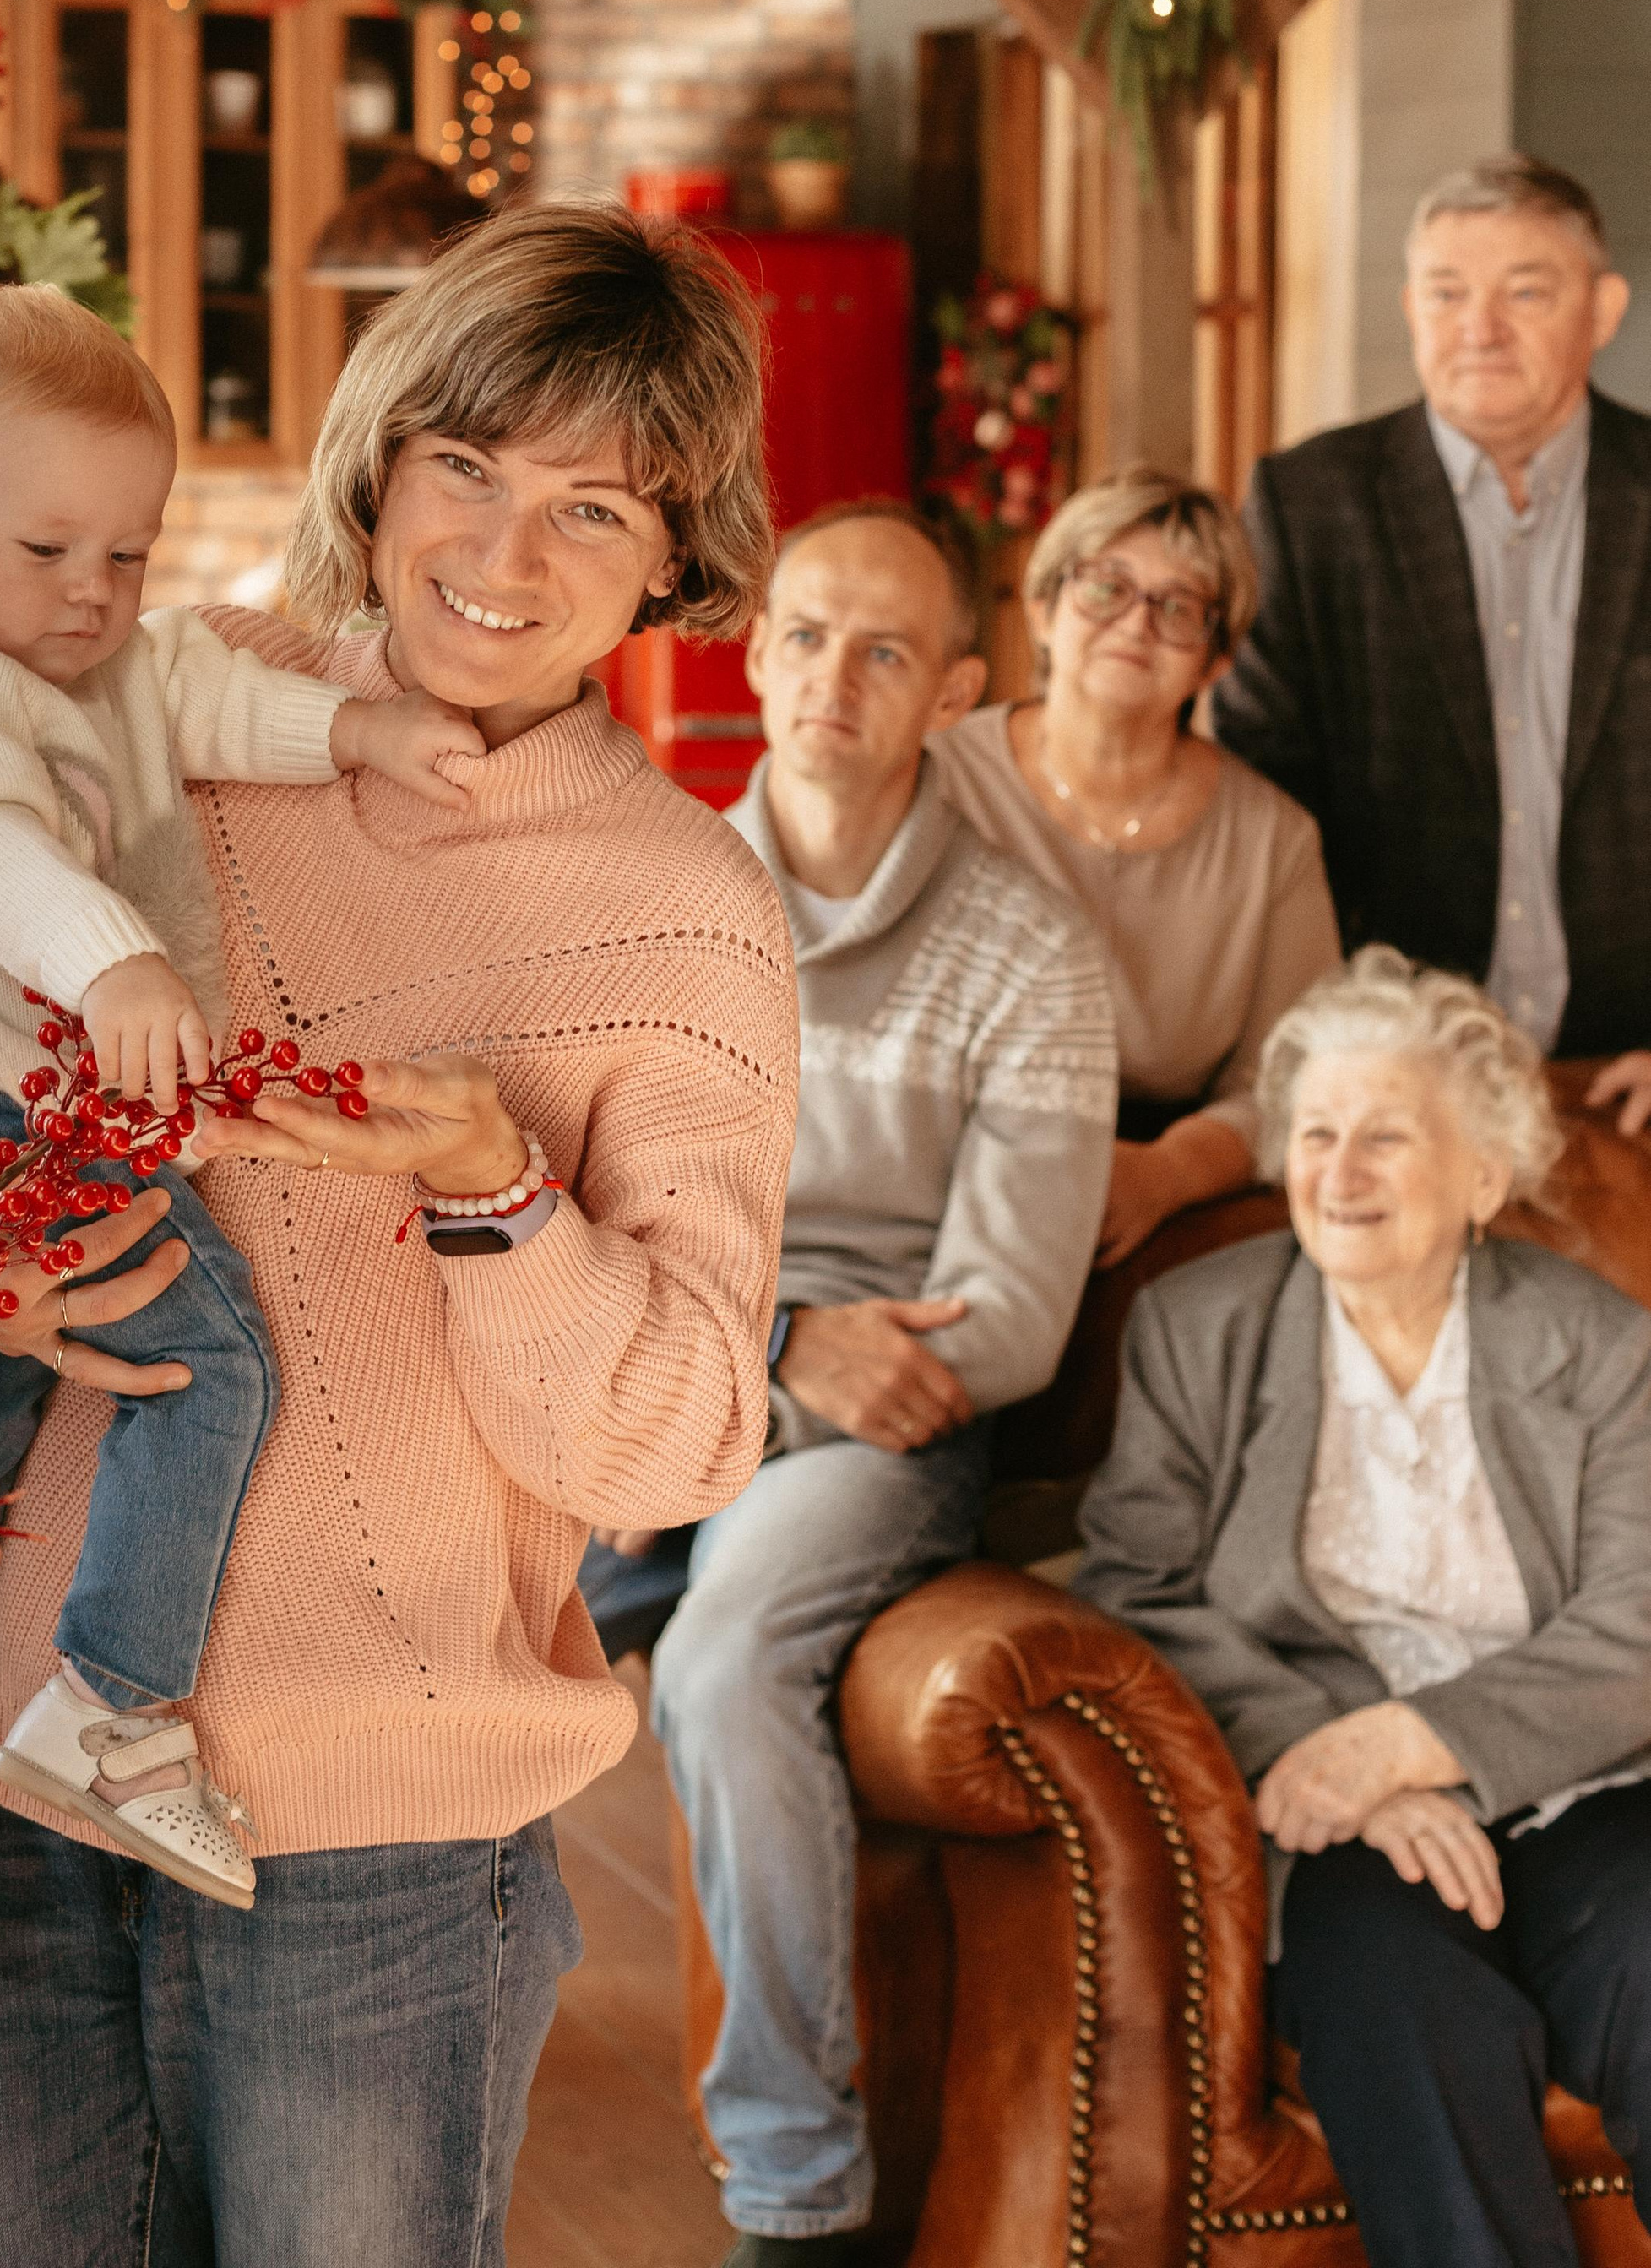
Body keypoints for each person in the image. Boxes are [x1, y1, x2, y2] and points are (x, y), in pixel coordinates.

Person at [0, 204, 800, 2268]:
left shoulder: (689, 914)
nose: (502, 559)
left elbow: (679, 1440)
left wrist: (494, 1192)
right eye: (465, 469)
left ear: (673, 555)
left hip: (381, 1830)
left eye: (589, 506)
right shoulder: (171, 689)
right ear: (375, 462)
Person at [0, 283, 482, 1981]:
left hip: (46, 1102)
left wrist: (355, 728)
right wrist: (118, 957)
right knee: (207, 1369)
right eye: (52, 553)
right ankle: (115, 1707)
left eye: (126, 559)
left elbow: (207, 703)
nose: (94, 601)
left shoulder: (106, 659)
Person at [620, 497, 1116, 2267]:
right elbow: (580, 1219)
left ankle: (797, 2199)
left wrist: (798, 1383)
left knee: (728, 1650)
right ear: (752, 654)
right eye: (809, 634)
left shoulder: (1030, 954)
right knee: (391, 1592)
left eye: (886, 649)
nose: (835, 675)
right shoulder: (656, 909)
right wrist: (761, 1355)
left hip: (880, 1433)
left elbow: (1007, 1323)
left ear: (958, 696)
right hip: (671, 1372)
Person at [1077, 947, 1651, 2268]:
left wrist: (1418, 1741)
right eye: (1318, 1134)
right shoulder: (1196, 1329)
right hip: (1343, 1822)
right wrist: (1348, 1769)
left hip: (1581, 1790)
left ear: (1486, 1177)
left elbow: (1637, 1616)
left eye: (1386, 1137)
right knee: (1408, 2018)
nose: (1338, 1174)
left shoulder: (1600, 1345)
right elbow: (1135, 1589)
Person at [1215, 152, 1651, 1128]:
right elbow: (1263, 794)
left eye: (1525, 292)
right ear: (1411, 308)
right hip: (1390, 1065)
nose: (1479, 329)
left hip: (1628, 1071)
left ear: (1604, 309)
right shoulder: (1309, 505)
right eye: (1447, 292)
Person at [931, 466, 1339, 1266]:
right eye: (1105, 587)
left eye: (1179, 607)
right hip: (938, 1184)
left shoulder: (1275, 838)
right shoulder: (933, 779)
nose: (1138, 624)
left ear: (1216, 663)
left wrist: (1164, 1176)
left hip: (1176, 1207)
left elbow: (1293, 1077)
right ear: (1044, 610)